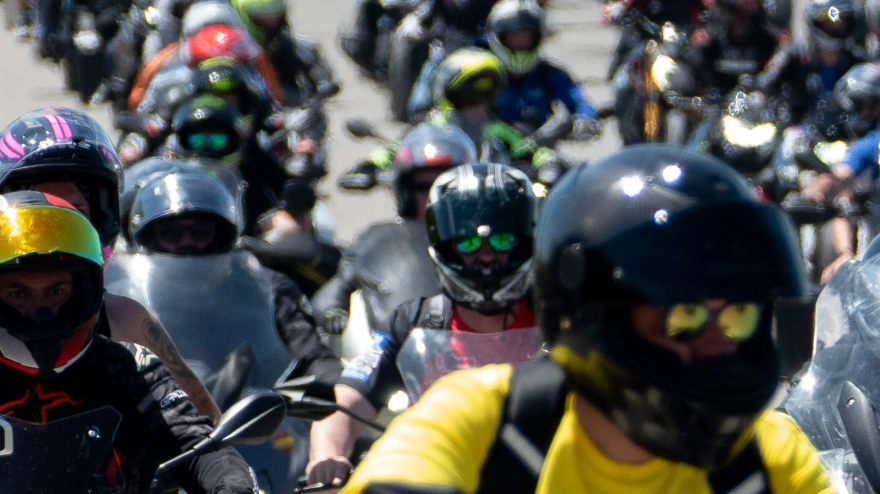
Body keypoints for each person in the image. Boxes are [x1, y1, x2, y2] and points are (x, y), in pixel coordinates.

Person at [341, 144, 834, 493]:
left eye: (739, 319)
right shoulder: (483, 423)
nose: (716, 348)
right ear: (595, 316)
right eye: (683, 318)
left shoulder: (766, 461)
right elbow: (406, 467)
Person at [0, 189, 256, 491]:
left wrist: (231, 486)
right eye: (18, 294)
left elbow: (195, 441)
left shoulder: (122, 362)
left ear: (84, 290)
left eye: (56, 292)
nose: (40, 312)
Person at [307, 162, 536, 488]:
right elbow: (347, 398)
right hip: (439, 480)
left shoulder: (561, 322)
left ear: (524, 240)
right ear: (444, 244)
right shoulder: (411, 322)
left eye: (501, 241)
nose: (486, 257)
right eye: (469, 244)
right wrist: (327, 456)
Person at [0, 107, 222, 422]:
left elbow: (204, 426)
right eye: (40, 211)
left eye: (73, 211)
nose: (58, 227)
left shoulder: (124, 319)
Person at [311, 122, 477, 336]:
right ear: (405, 193)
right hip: (399, 351)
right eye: (424, 187)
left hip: (476, 354)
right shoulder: (376, 240)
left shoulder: (489, 244)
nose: (437, 196)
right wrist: (333, 312)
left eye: (449, 187)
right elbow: (335, 289)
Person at [480, 0, 602, 139]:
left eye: (526, 37)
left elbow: (578, 100)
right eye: (514, 36)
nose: (520, 43)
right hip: (488, 153)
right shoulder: (480, 74)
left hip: (542, 154)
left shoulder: (548, 73)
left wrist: (585, 118)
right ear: (498, 37)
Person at [231, 0, 340, 107]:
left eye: (275, 15)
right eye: (263, 18)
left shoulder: (285, 42)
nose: (272, 22)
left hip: (286, 95)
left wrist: (323, 85)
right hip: (250, 98)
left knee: (305, 48)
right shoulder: (236, 42)